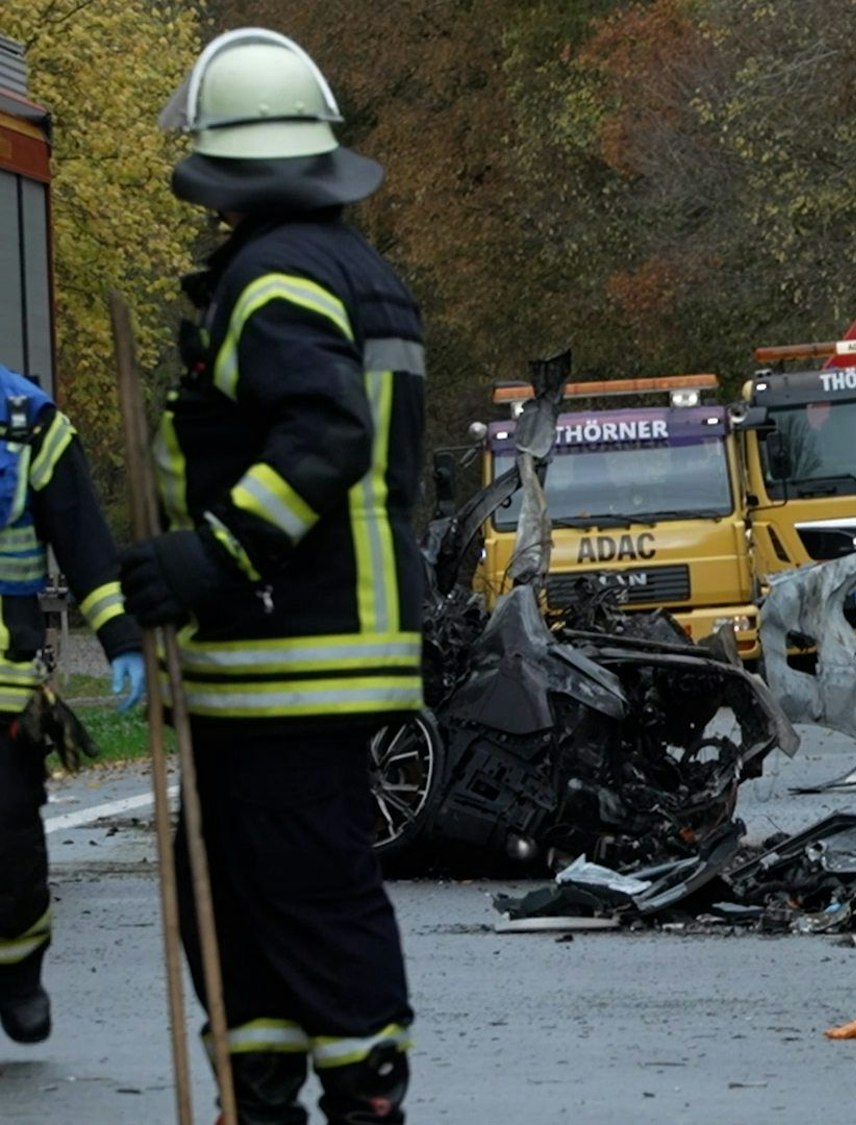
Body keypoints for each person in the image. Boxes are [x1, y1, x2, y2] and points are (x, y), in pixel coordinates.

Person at [120, 27, 424, 1123]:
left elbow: (323, 438)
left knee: (300, 905)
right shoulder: (352, 270)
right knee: (251, 910)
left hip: (282, 655)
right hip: (310, 656)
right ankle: (274, 1093)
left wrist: (209, 557)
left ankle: (348, 1101)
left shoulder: (273, 279)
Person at [0, 363, 147, 1045]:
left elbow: (84, 543)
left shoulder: (27, 420)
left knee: (12, 847)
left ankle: (18, 967)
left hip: (4, 684)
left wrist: (119, 637)